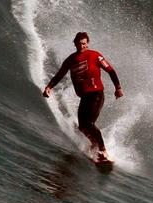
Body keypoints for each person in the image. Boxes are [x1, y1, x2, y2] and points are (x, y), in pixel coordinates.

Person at [43, 32, 123, 162]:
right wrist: (49, 87)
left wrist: (118, 88)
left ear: (88, 44)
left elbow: (111, 71)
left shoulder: (95, 55)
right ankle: (95, 145)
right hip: (85, 97)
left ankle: (103, 150)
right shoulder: (70, 60)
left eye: (84, 44)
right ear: (74, 44)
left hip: (96, 94)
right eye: (79, 44)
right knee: (82, 126)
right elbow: (60, 75)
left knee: (89, 124)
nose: (82, 46)